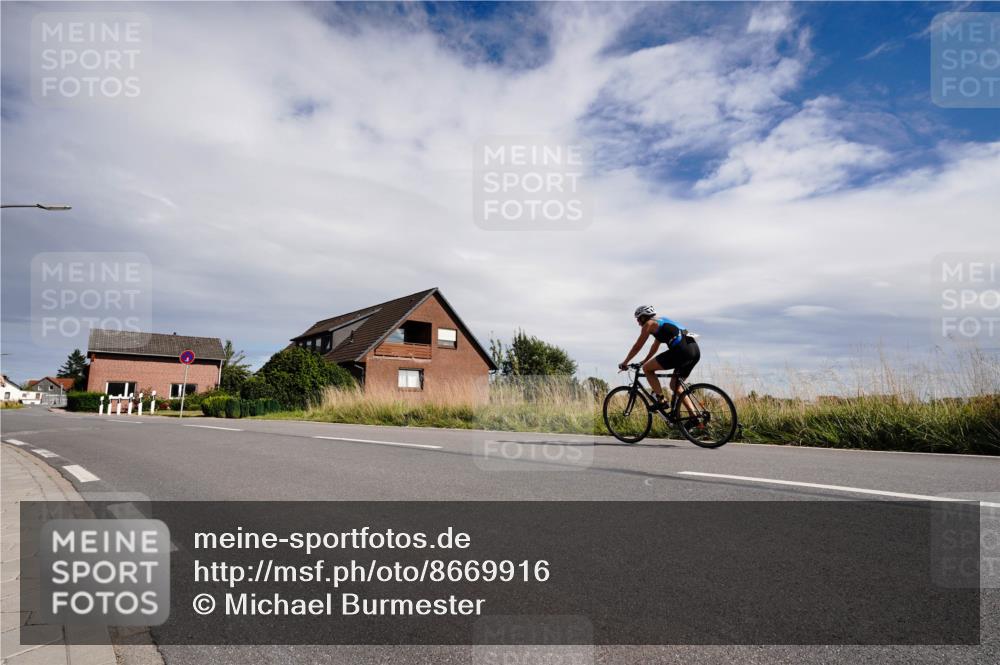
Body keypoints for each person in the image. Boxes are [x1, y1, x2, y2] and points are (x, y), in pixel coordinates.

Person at [618, 305, 700, 410]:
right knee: (675, 386)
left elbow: (637, 346)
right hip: (694, 351)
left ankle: (661, 400)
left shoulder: (649, 324)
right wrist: (644, 361)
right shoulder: (663, 322)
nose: (638, 322)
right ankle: (695, 418)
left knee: (647, 369)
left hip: (681, 351)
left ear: (644, 317)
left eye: (638, 319)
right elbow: (654, 347)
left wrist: (625, 362)